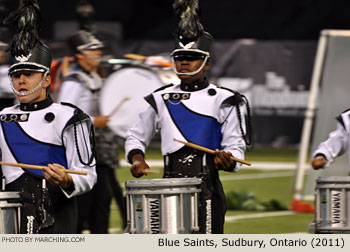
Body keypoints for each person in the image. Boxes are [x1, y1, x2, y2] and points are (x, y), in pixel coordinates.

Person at [124, 0, 252, 234]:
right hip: (169, 187)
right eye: (179, 56)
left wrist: (230, 160)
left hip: (208, 189)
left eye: (191, 57)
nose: (183, 62)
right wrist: (136, 158)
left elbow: (235, 145)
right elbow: (136, 135)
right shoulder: (161, 97)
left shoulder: (224, 98)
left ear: (206, 63)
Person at [0, 0, 97, 234]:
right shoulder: (3, 117)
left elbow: (88, 174)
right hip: (11, 216)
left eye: (28, 74)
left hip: (56, 215)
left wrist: (66, 180)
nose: (21, 80)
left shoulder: (71, 117)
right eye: (16, 75)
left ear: (46, 79)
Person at [57, 30, 126, 233]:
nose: (97, 53)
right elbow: (66, 115)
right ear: (79, 54)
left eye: (97, 49)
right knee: (85, 205)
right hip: (83, 150)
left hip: (101, 149)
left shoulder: (95, 76)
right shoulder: (74, 81)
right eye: (92, 50)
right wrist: (96, 121)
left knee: (101, 204)